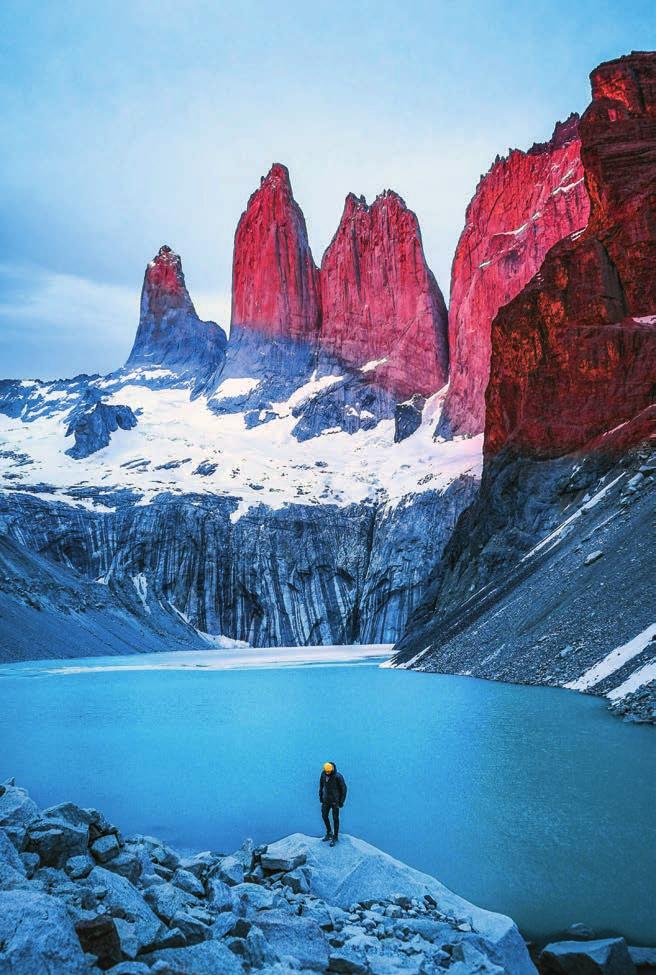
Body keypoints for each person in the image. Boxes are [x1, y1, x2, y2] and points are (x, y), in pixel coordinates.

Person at [319, 761, 347, 847]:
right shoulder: (323, 774)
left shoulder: (338, 777)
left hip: (335, 801)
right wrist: (320, 796)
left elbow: (344, 789)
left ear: (332, 770)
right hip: (326, 800)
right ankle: (329, 832)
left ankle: (335, 836)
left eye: (329, 771)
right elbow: (321, 786)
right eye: (326, 771)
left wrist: (341, 801)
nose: (327, 773)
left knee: (335, 819)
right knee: (324, 816)